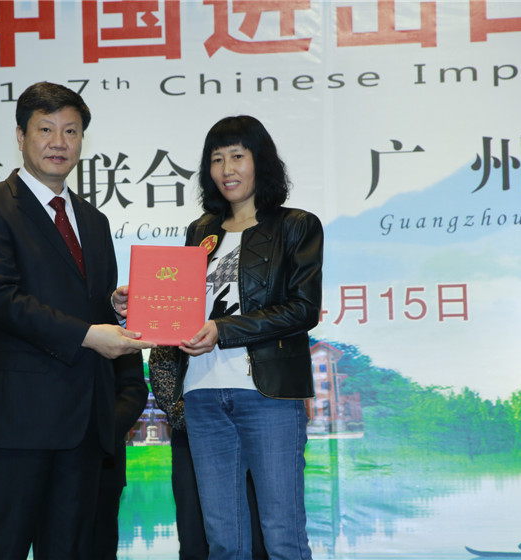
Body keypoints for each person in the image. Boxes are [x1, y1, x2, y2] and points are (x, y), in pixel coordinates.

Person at [0, 81, 154, 559]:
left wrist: (115, 307)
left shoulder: (94, 221)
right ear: (20, 136)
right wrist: (88, 334)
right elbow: (0, 299)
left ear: (83, 139)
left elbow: (88, 306)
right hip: (15, 422)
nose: (58, 142)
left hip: (83, 427)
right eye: (45, 129)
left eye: (71, 131)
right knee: (1, 548)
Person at [171, 115, 323, 560]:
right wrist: (140, 302)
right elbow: (184, 305)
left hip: (268, 392)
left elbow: (302, 309)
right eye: (217, 159)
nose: (227, 169)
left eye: (237, 156)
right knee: (224, 541)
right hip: (202, 393)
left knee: (282, 536)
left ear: (261, 162)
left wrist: (224, 330)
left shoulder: (296, 225)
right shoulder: (201, 231)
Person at [149, 346, 268, 560]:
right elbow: (162, 365)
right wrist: (197, 418)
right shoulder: (178, 325)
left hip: (254, 428)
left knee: (259, 535)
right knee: (195, 536)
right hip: (191, 433)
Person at [89, 352, 149, 559]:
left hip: (104, 457)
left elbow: (132, 388)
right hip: (44, 453)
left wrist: (101, 437)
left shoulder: (121, 332)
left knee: (101, 544)